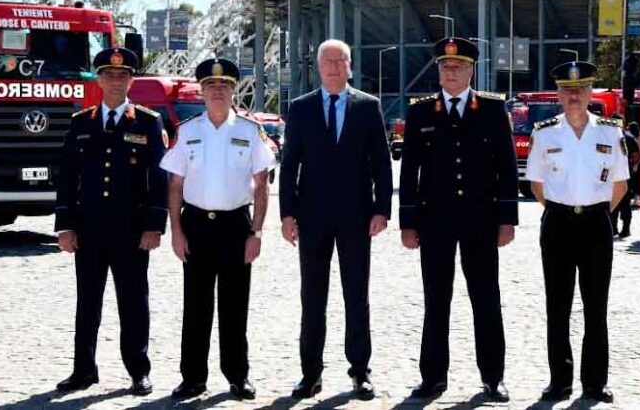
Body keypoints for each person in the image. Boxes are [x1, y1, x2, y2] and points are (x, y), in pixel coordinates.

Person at [399, 37, 518, 402]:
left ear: (471, 70)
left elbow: (507, 168)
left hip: (480, 221)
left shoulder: (493, 110)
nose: (451, 72)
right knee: (436, 300)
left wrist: (507, 219)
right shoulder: (421, 112)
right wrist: (408, 222)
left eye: (458, 66)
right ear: (438, 70)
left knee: (486, 299)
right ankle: (433, 377)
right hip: (435, 222)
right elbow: (409, 172)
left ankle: (493, 377)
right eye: (445, 67)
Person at [279, 39, 393, 400]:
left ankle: (360, 372)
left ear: (350, 66)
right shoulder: (300, 108)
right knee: (312, 297)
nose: (333, 67)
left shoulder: (368, 107)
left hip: (357, 218)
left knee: (356, 295)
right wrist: (287, 213)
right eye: (327, 61)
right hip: (312, 218)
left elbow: (382, 162)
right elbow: (289, 166)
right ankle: (310, 373)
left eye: (340, 61)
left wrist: (382, 209)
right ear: (318, 66)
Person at [55, 47, 168, 396]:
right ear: (99, 80)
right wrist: (65, 225)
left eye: (123, 76)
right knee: (87, 301)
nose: (116, 81)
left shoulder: (148, 122)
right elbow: (67, 176)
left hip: (131, 231)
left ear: (132, 80)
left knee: (133, 301)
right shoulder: (81, 123)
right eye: (109, 75)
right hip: (88, 230)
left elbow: (158, 177)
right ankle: (83, 370)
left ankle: (138, 371)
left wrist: (154, 225)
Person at [160, 58, 275, 400]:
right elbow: (175, 186)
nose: (218, 91)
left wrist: (256, 233)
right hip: (195, 224)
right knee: (195, 306)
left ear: (233, 90)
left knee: (235, 305)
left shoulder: (250, 131)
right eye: (211, 86)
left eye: (224, 86)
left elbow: (261, 185)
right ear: (202, 92)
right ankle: (192, 377)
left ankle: (238, 375)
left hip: (235, 226)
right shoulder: (189, 130)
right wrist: (177, 231)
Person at [525, 60, 629, 403]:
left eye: (581, 89)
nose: (574, 96)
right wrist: (563, 208)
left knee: (596, 307)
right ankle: (560, 381)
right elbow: (536, 184)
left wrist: (596, 212)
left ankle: (595, 382)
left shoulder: (610, 132)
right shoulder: (545, 132)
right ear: (558, 94)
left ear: (590, 92)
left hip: (596, 225)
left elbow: (621, 184)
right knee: (558, 307)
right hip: (558, 224)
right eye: (568, 90)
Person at [609, 114, 638, 238]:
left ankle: (618, 228)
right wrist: (632, 165)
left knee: (617, 201)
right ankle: (622, 229)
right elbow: (636, 155)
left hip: (615, 175)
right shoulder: (628, 138)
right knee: (623, 202)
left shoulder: (608, 138)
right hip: (623, 174)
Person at [627, 121, 640, 207]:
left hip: (638, 165)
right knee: (639, 183)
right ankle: (639, 200)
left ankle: (637, 200)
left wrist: (635, 165)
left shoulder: (637, 140)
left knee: (637, 183)